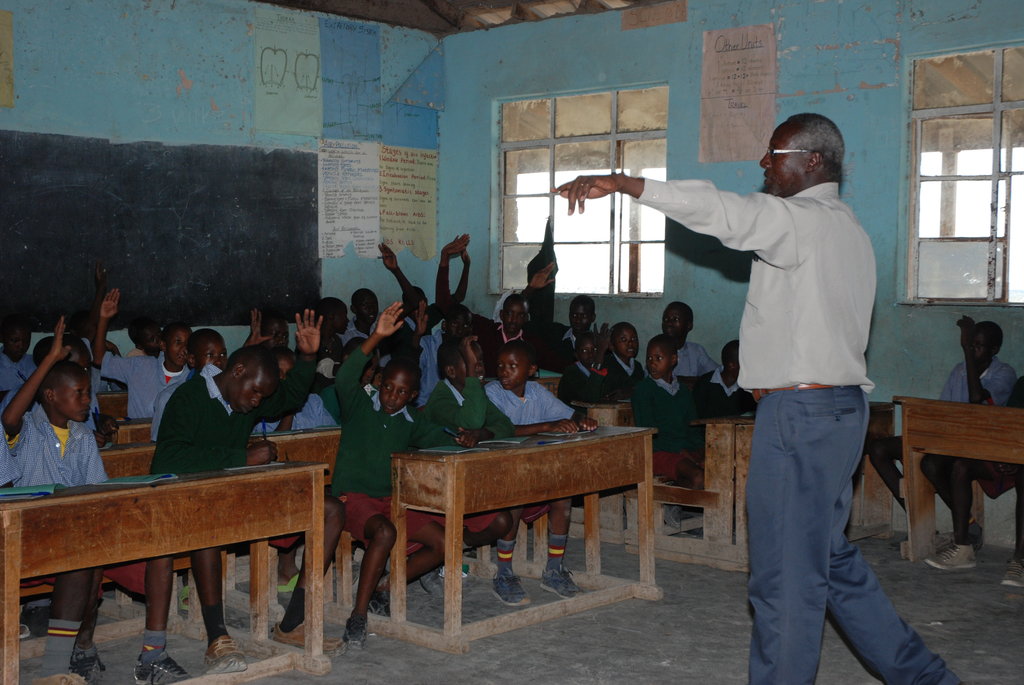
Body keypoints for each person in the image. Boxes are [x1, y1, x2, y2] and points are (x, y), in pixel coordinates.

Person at [556, 112, 958, 684]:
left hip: (799, 415)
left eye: (775, 153)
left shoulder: (803, 220)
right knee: (829, 562)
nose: (764, 164)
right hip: (839, 412)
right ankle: (927, 678)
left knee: (784, 581)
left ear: (812, 161)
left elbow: (724, 211)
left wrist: (626, 183)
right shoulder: (851, 231)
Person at [140, 310, 344, 681]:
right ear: (236, 372)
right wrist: (241, 457)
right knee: (206, 528)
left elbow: (290, 397)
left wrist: (308, 357)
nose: (256, 403)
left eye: (261, 396)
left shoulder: (246, 395)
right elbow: (167, 458)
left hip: (241, 494)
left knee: (329, 509)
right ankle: (218, 637)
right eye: (254, 392)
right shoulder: (188, 398)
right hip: (197, 499)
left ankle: (292, 622)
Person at [331, 301, 474, 649]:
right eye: (387, 388)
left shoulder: (412, 421)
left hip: (389, 501)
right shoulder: (360, 406)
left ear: (412, 396)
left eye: (401, 392)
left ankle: (386, 588)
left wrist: (466, 436)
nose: (392, 397)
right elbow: (346, 375)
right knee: (385, 532)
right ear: (379, 383)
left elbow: (442, 440)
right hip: (352, 499)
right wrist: (376, 337)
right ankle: (358, 616)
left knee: (446, 542)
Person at [3, 318, 108, 685]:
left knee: (86, 555)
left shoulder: (82, 437)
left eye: (87, 392)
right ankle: (67, 658)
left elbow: (97, 491)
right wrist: (48, 362)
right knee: (79, 553)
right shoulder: (27, 428)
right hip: (23, 531)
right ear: (50, 395)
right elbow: (9, 417)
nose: (87, 400)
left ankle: (58, 668)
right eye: (78, 393)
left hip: (66, 532)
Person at [484, 340, 597, 605]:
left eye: (512, 366)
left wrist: (583, 420)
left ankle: (554, 569)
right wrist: (550, 424)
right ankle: (504, 573)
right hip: (498, 473)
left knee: (563, 496)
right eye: (500, 366)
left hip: (533, 471)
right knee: (514, 498)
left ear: (531, 370)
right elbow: (503, 430)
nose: (504, 372)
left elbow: (568, 413)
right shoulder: (492, 392)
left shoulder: (536, 392)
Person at [868, 317, 1015, 516]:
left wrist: (966, 352)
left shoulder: (1004, 373)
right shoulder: (959, 370)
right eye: (970, 345)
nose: (972, 350)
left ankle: (966, 523)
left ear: (994, 349)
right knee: (879, 448)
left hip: (978, 445)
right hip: (949, 439)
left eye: (978, 346)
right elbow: (942, 409)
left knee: (931, 464)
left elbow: (976, 397)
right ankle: (915, 515)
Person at [93, 289, 191, 419]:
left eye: (188, 343)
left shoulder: (192, 377)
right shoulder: (139, 365)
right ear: (163, 345)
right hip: (138, 436)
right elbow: (99, 359)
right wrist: (104, 319)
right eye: (178, 342)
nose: (184, 349)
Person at [630, 334, 705, 489]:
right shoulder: (643, 390)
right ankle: (675, 500)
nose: (652, 364)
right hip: (658, 451)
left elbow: (693, 429)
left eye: (658, 358)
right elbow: (649, 433)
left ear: (673, 360)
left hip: (683, 449)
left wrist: (702, 451)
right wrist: (682, 451)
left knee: (720, 470)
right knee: (698, 478)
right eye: (649, 358)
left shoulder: (683, 391)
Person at [691, 339, 756, 419]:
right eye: (745, 363)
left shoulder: (748, 388)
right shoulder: (704, 384)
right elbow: (695, 418)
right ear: (731, 365)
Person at [556, 327, 610, 406]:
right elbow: (590, 398)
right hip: (574, 416)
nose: (591, 354)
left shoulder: (604, 368)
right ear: (576, 355)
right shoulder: (571, 372)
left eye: (594, 349)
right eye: (585, 350)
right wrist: (599, 356)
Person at [661, 301, 718, 378]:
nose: (669, 323)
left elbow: (717, 374)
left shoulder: (696, 351)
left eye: (675, 319)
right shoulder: (657, 350)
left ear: (689, 325)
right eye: (666, 319)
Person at [600, 321, 644, 400]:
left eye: (634, 339)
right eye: (624, 339)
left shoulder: (638, 367)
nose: (630, 343)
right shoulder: (606, 365)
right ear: (611, 345)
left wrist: (631, 392)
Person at [0, 313, 36, 398]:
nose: (21, 345)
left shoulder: (34, 361)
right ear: (2, 338)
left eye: (26, 340)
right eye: (15, 340)